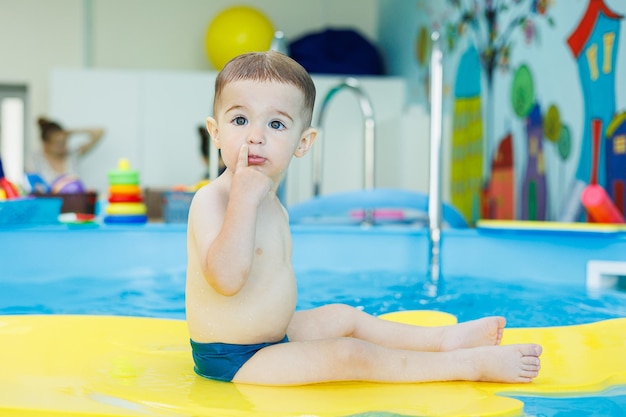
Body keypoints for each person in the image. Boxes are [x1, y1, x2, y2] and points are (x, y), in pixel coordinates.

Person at [185, 51, 542, 386]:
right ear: (216, 132)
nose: (256, 136)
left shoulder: (273, 204)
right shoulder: (211, 200)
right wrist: (243, 202)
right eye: (240, 119)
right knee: (349, 354)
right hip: (232, 358)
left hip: (273, 337)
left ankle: (444, 339)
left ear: (303, 142)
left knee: (345, 317)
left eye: (276, 124)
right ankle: (468, 365)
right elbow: (226, 280)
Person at [30, 117, 104, 185]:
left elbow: (99, 132)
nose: (63, 146)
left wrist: (71, 132)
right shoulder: (36, 159)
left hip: (74, 198)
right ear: (46, 144)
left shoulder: (72, 155)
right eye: (58, 142)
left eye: (64, 141)